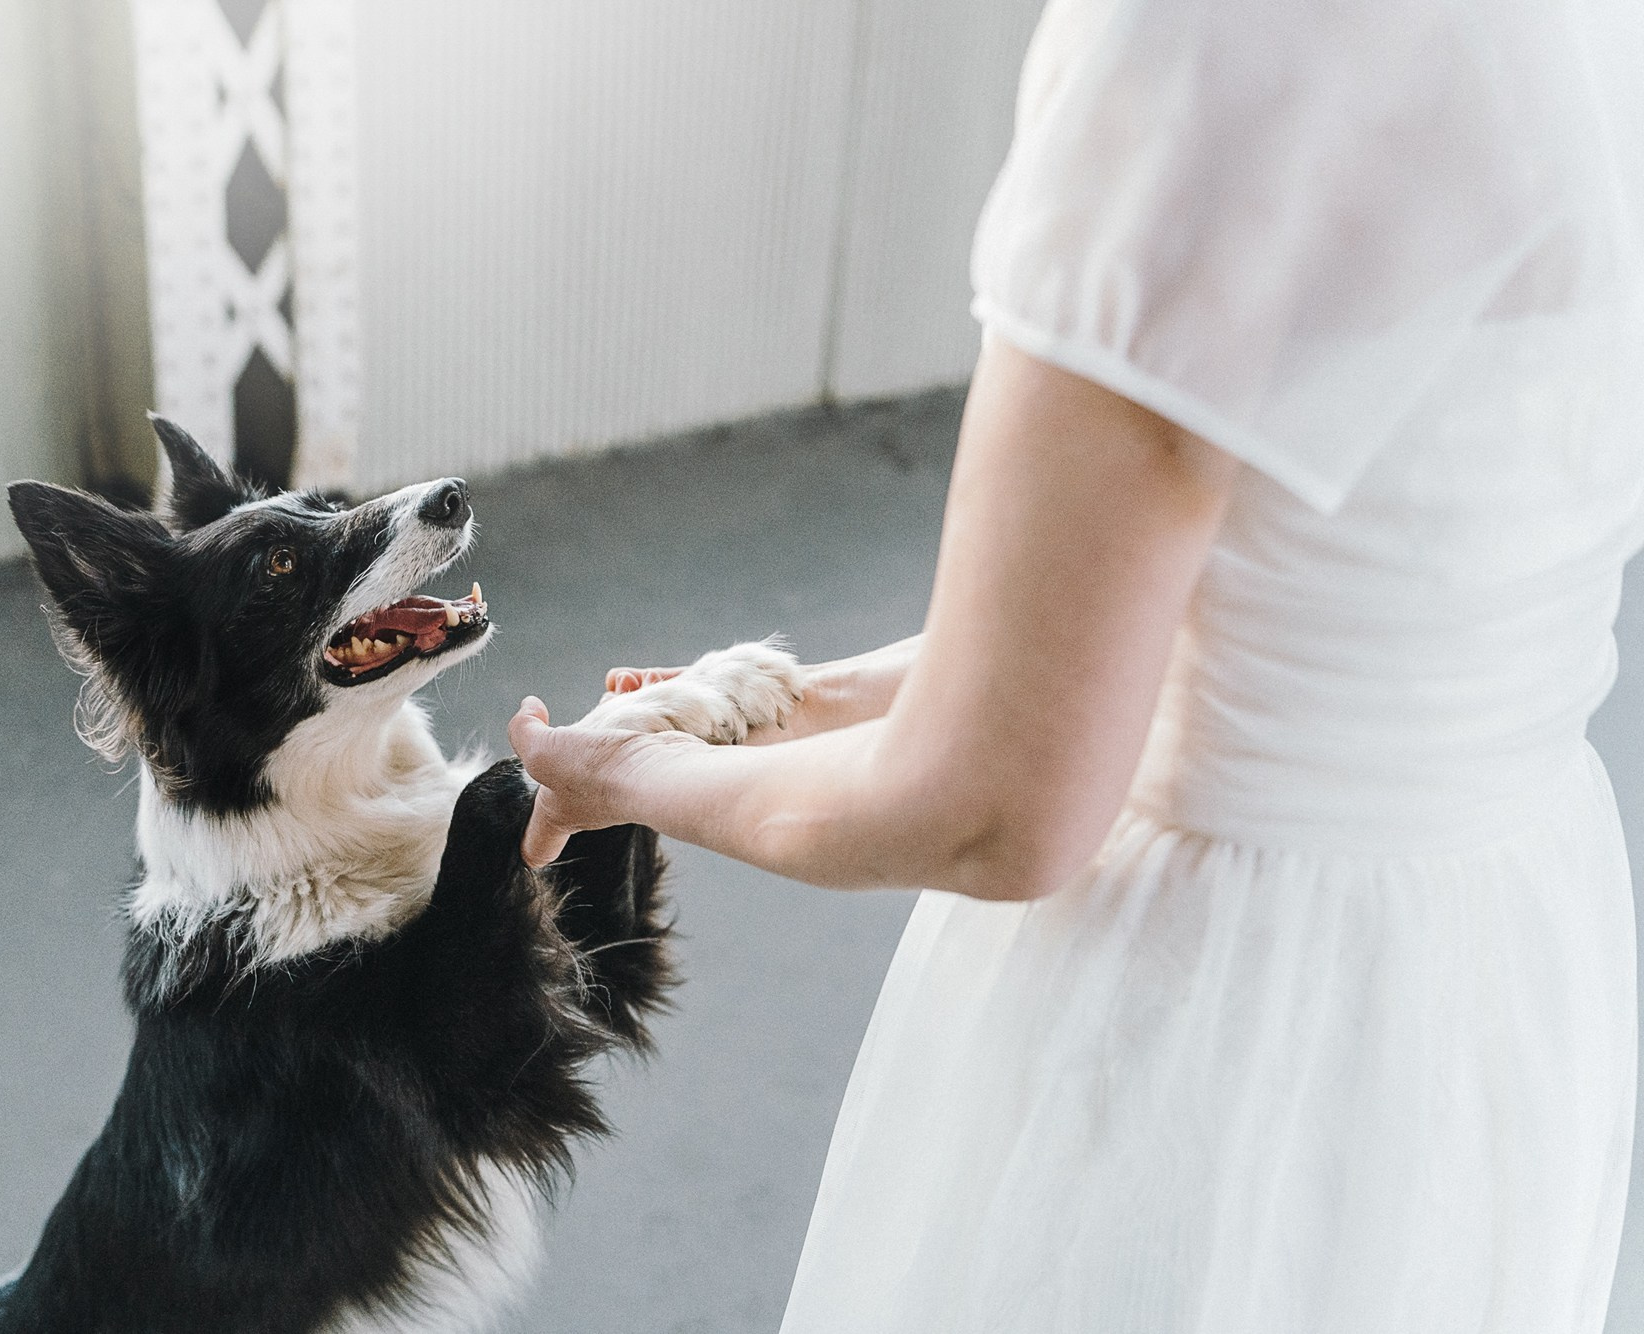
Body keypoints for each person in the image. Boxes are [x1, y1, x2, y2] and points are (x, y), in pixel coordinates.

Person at [508, 0, 1644, 1328]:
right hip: (1497, 958)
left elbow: (996, 801)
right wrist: (785, 704)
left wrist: (633, 775)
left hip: (1231, 1008)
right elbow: (1277, 597)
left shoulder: (1199, 40)